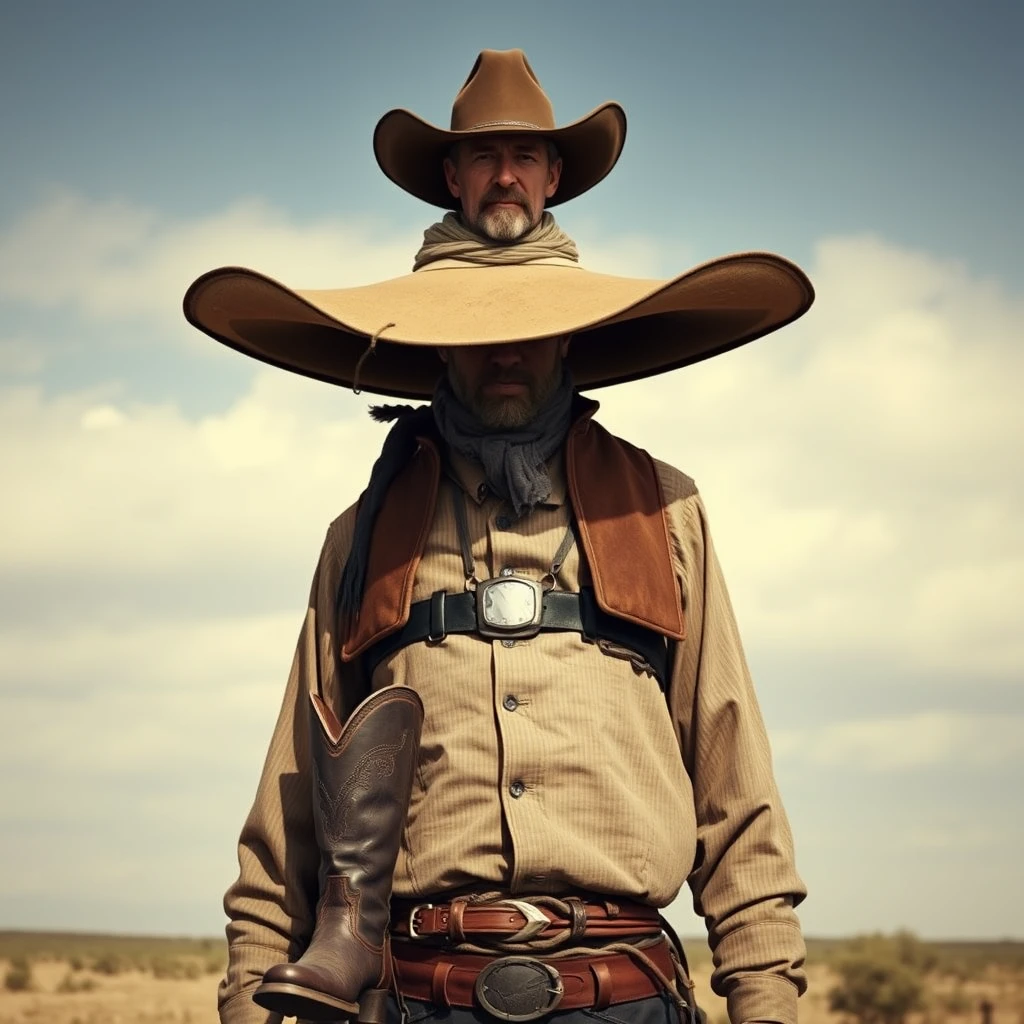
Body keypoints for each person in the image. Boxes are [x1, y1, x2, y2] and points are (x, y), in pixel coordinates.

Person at [184, 49, 812, 1024]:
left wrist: (767, 1003)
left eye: (532, 324)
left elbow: (738, 793)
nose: (507, 348)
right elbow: (288, 817)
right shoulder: (362, 537)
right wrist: (249, 1002)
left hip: (625, 997)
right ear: (435, 338)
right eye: (479, 328)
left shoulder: (663, 512)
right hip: (417, 997)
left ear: (574, 331)